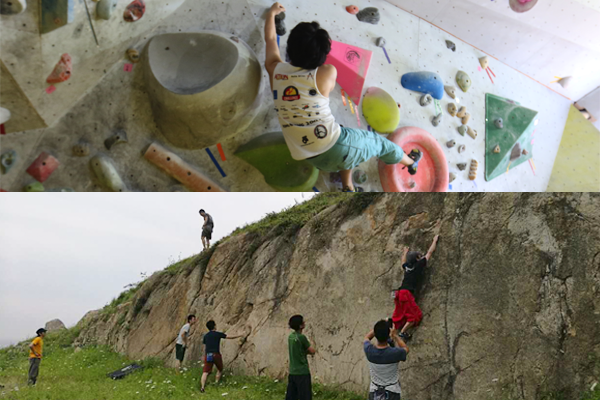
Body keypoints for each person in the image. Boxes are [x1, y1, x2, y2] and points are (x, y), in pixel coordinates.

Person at [264, 2, 422, 192]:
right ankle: (411, 162)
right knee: (380, 144)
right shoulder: (327, 73)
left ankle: (347, 185)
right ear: (321, 59)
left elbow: (271, 39)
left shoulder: (275, 69)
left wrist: (271, 15)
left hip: (306, 154)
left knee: (346, 134)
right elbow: (324, 77)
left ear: (289, 49)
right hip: (335, 147)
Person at [392, 233, 440, 341]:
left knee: (399, 314)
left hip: (398, 294)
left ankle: (392, 333)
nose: (421, 256)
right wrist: (434, 241)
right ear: (418, 259)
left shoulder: (408, 267)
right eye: (419, 256)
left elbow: (403, 262)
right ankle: (403, 332)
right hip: (406, 294)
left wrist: (404, 252)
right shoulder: (419, 266)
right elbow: (429, 252)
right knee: (414, 315)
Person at [364, 320, 409, 400]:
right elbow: (406, 349)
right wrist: (395, 335)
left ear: (376, 334)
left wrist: (378, 328)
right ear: (388, 333)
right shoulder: (395, 353)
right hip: (392, 392)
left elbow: (367, 337)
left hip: (374, 392)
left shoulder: (369, 351)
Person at [200, 320, 243, 393]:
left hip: (208, 354)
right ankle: (216, 383)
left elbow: (205, 345)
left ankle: (202, 387)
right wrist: (240, 335)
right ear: (214, 326)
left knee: (205, 372)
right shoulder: (217, 334)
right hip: (216, 354)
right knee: (220, 369)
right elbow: (229, 337)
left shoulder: (206, 336)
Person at [285, 315, 316, 400]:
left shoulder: (290, 337)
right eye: (303, 322)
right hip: (302, 372)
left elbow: (297, 350)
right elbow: (312, 351)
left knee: (291, 396)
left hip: (292, 372)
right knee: (305, 396)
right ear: (300, 325)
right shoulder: (302, 337)